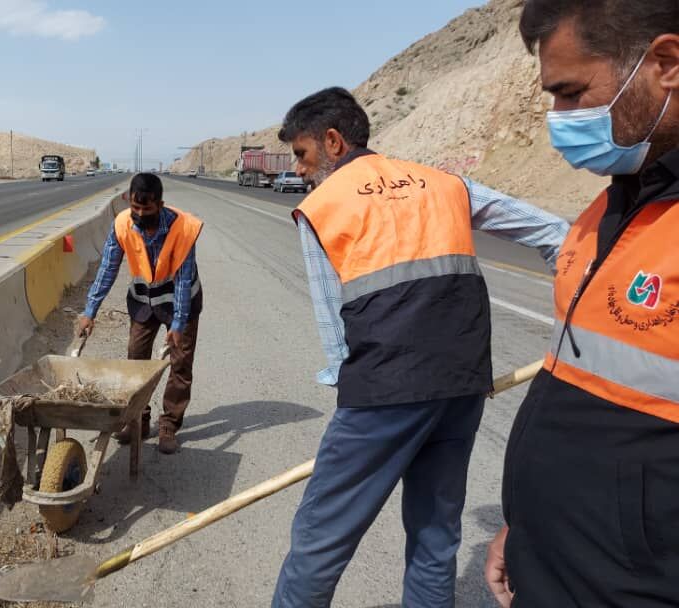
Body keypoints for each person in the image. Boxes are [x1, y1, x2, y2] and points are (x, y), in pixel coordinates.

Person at [270, 88, 570, 608]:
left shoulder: (323, 204)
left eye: (302, 154)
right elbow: (554, 232)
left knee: (319, 539)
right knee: (435, 538)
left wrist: (349, 397)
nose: (298, 170)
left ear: (334, 142)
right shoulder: (444, 183)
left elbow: (331, 324)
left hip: (383, 394)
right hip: (462, 387)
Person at [484, 3, 679, 606]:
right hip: (557, 559)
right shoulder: (615, 204)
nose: (559, 119)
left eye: (572, 94)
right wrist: (525, 526)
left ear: (665, 63)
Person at [76, 172, 202, 455]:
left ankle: (169, 423)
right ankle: (138, 421)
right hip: (144, 301)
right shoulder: (122, 224)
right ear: (128, 201)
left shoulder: (182, 229)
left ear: (160, 204)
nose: (140, 214)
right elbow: (108, 268)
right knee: (136, 361)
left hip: (180, 303)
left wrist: (179, 323)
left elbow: (183, 280)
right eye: (135, 207)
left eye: (147, 208)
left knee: (180, 364)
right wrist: (90, 310)